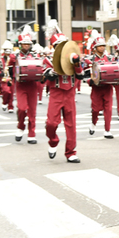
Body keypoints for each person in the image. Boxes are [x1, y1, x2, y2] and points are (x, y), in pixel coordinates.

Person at [42, 20, 85, 163]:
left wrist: (77, 64)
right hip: (56, 94)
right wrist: (52, 72)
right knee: (51, 123)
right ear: (54, 47)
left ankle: (71, 152)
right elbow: (44, 77)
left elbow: (80, 76)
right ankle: (53, 141)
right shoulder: (48, 60)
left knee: (71, 124)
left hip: (70, 93)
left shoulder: (72, 57)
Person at [83, 30, 114, 139]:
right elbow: (85, 75)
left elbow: (115, 71)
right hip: (96, 88)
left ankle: (107, 130)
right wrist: (90, 81)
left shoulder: (110, 58)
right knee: (96, 109)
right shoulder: (89, 60)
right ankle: (93, 123)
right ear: (95, 48)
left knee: (108, 109)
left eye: (103, 46)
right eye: (100, 46)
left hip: (108, 87)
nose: (102, 48)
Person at [13, 25, 39, 144]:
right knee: (22, 108)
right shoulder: (14, 56)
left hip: (32, 85)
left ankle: (31, 134)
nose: (26, 45)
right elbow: (10, 70)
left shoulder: (35, 56)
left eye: (28, 43)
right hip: (21, 85)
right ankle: (20, 126)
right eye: (24, 43)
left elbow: (40, 68)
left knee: (32, 111)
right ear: (20, 44)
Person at [0, 41, 15, 113]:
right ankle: (4, 102)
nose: (8, 52)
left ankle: (10, 106)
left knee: (11, 93)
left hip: (12, 77)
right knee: (6, 91)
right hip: (4, 78)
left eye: (9, 50)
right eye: (6, 50)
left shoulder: (13, 59)